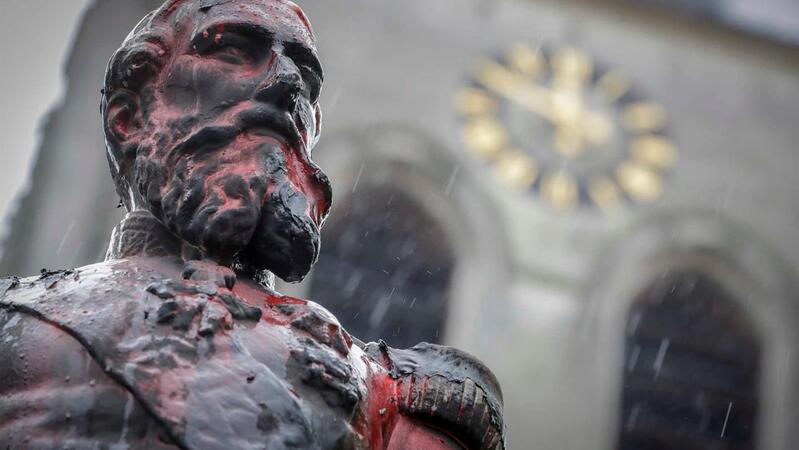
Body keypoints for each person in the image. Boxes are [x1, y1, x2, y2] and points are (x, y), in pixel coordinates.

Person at [0, 1, 504, 448]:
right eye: (234, 51)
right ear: (128, 119)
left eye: (305, 77)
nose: (287, 84)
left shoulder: (404, 403)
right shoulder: (12, 323)